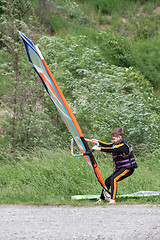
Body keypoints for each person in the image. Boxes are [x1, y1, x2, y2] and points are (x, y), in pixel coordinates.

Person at [91, 128, 137, 204]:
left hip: (128, 168)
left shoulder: (123, 146)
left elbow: (112, 149)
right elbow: (108, 145)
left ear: (120, 137)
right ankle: (101, 199)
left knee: (114, 179)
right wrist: (98, 142)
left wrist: (99, 149)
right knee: (107, 181)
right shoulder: (116, 144)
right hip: (122, 168)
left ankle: (113, 200)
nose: (113, 141)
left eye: (114, 139)